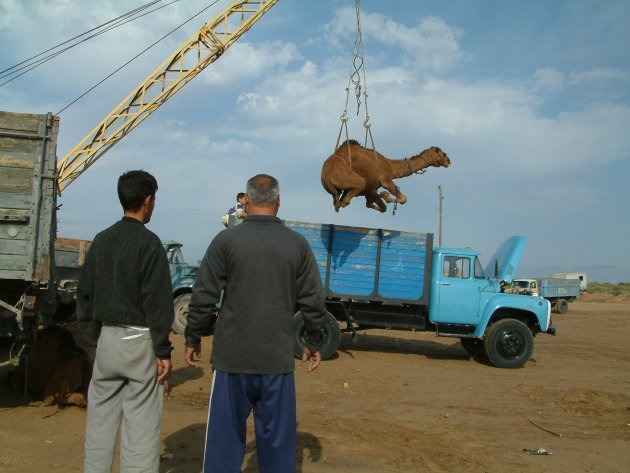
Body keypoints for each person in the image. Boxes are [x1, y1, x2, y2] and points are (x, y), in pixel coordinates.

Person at [185, 174, 326, 473]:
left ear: (245, 201)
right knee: (277, 448)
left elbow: (204, 293)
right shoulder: (297, 244)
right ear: (278, 201)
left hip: (231, 362)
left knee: (223, 445)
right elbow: (313, 299)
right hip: (276, 362)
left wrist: (192, 337)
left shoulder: (226, 240)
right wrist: (314, 341)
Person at [76, 170, 174, 473]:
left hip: (106, 340)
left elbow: (84, 294)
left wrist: (96, 336)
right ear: (148, 200)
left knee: (99, 424)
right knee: (141, 427)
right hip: (139, 343)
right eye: (154, 198)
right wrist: (163, 350)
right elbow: (158, 303)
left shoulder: (102, 240)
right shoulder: (149, 244)